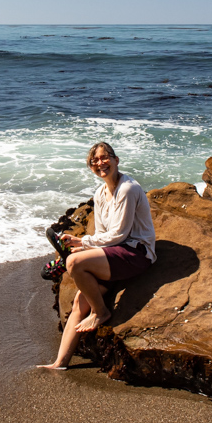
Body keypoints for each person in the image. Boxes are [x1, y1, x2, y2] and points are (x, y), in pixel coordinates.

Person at [38, 142, 156, 370]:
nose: (100, 163)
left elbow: (119, 235)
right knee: (79, 302)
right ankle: (60, 363)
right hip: (114, 255)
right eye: (94, 161)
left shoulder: (128, 189)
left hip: (136, 252)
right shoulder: (100, 194)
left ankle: (101, 312)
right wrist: (83, 248)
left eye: (105, 158)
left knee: (73, 263)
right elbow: (103, 235)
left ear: (116, 160)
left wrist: (82, 243)